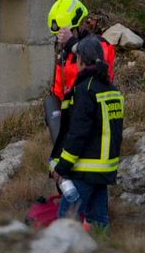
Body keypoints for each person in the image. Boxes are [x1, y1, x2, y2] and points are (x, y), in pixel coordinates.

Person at [51, 36, 125, 228]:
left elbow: (78, 134)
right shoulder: (112, 89)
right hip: (105, 169)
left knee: (66, 220)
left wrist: (62, 167)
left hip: (86, 168)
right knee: (99, 220)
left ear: (82, 60)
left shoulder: (85, 89)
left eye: (76, 60)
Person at [44, 0, 116, 143]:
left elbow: (100, 69)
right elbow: (59, 93)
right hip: (72, 127)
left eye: (64, 33)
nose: (60, 38)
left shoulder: (101, 45)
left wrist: (72, 43)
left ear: (77, 26)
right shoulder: (64, 55)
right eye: (57, 35)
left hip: (96, 122)